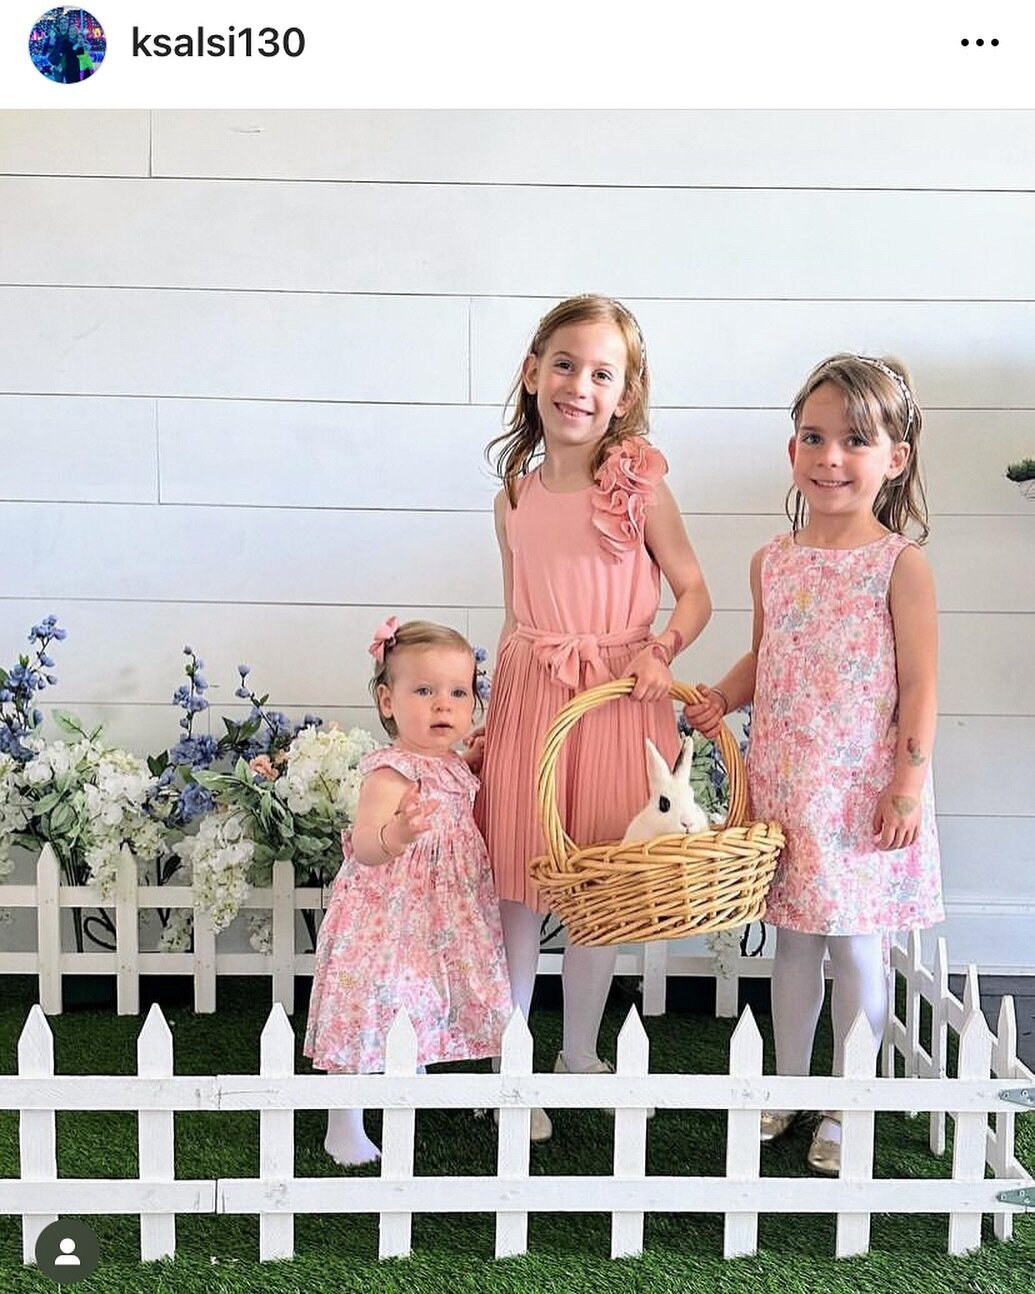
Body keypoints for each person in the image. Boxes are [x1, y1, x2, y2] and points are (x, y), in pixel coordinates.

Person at [683, 353, 943, 1176]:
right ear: (792, 449)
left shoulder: (899, 564)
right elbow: (767, 656)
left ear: (892, 459)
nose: (831, 457)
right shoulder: (773, 560)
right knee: (791, 943)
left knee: (855, 944)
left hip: (862, 789)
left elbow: (920, 681)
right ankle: (787, 1087)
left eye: (854, 441)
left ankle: (848, 1098)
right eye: (813, 437)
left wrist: (907, 779)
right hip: (786, 783)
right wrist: (722, 698)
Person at [475, 294, 712, 1141]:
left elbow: (692, 591)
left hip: (616, 700)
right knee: (516, 888)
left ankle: (578, 1052)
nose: (579, 385)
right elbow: (513, 613)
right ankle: (510, 1060)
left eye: (601, 373)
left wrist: (661, 652)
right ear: (533, 372)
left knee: (597, 890)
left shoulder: (640, 487)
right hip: (531, 699)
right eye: (565, 364)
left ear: (624, 394)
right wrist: (490, 717)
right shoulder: (512, 495)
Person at [303, 619, 512, 1166]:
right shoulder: (389, 772)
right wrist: (398, 833)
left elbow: (450, 789)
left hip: (440, 916)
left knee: (422, 994)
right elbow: (366, 845)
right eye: (424, 691)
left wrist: (469, 763)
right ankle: (342, 1122)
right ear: (387, 700)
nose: (443, 704)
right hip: (388, 916)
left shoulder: (449, 765)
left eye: (459, 692)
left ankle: (405, 1077)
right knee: (368, 1002)